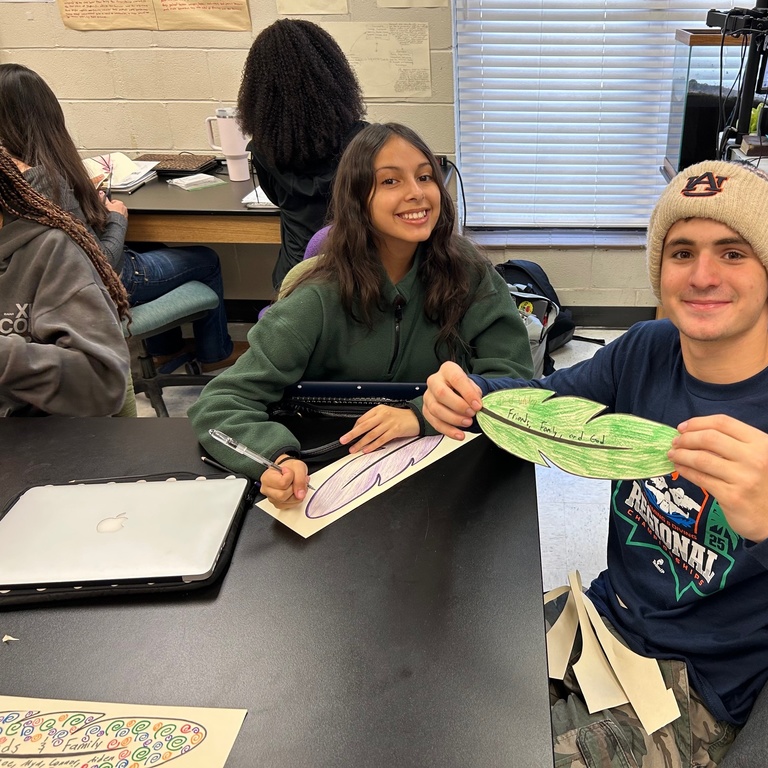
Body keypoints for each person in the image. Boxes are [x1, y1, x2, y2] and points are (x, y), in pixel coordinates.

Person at [421, 161, 768, 766]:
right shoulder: (648, 351)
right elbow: (552, 406)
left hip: (691, 695)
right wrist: (464, 398)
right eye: (682, 252)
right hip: (603, 617)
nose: (703, 275)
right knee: (433, 693)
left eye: (733, 253)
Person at [189, 122, 533, 507]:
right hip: (338, 477)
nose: (417, 193)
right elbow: (221, 401)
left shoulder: (469, 272)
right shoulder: (319, 295)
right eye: (390, 182)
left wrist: (420, 415)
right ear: (357, 199)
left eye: (425, 176)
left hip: (447, 476)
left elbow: (513, 381)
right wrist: (277, 458)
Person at [0, 63, 244, 374]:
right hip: (98, 284)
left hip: (26, 295)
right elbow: (100, 266)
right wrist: (116, 218)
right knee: (206, 260)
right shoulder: (47, 180)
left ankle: (165, 351)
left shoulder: (12, 176)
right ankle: (215, 353)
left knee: (151, 243)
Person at [236, 19, 368, 289]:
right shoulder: (366, 143)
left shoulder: (263, 151)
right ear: (336, 78)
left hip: (295, 278)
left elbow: (275, 198)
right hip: (357, 275)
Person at [0, 145, 130, 417]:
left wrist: (117, 221)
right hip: (109, 276)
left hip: (42, 444)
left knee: (203, 262)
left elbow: (103, 261)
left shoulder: (50, 246)